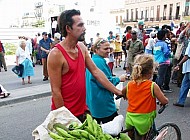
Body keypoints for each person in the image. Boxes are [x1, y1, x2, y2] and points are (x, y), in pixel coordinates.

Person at [47, 9, 122, 123]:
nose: (84, 29)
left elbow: (96, 72)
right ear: (68, 29)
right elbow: (55, 91)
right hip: (66, 115)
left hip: (83, 111)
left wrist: (117, 91)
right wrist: (65, 119)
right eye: (80, 25)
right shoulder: (56, 54)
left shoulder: (81, 47)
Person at [121, 54, 168, 139]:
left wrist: (125, 95)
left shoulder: (130, 84)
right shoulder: (152, 86)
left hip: (130, 118)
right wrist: (165, 101)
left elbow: (123, 92)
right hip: (144, 120)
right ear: (150, 71)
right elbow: (164, 101)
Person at [86, 38, 126, 124]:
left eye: (109, 48)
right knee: (115, 131)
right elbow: (105, 82)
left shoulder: (93, 60)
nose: (108, 51)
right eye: (105, 49)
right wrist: (119, 79)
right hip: (103, 104)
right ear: (96, 49)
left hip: (94, 103)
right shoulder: (99, 62)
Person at [173, 34, 190, 107]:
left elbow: (186, 56)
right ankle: (181, 101)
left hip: (189, 68)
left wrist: (178, 64)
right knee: (184, 85)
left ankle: (181, 101)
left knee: (185, 84)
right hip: (188, 69)